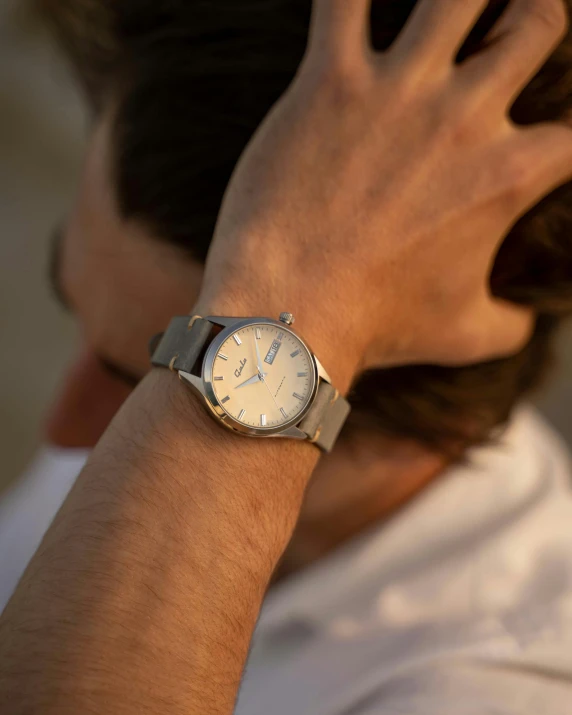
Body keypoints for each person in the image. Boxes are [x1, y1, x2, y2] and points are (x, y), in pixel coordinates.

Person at [1, 0, 572, 712]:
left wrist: (298, 293)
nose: (63, 432)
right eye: (69, 302)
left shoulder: (492, 688)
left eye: (151, 381)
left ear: (315, 407)